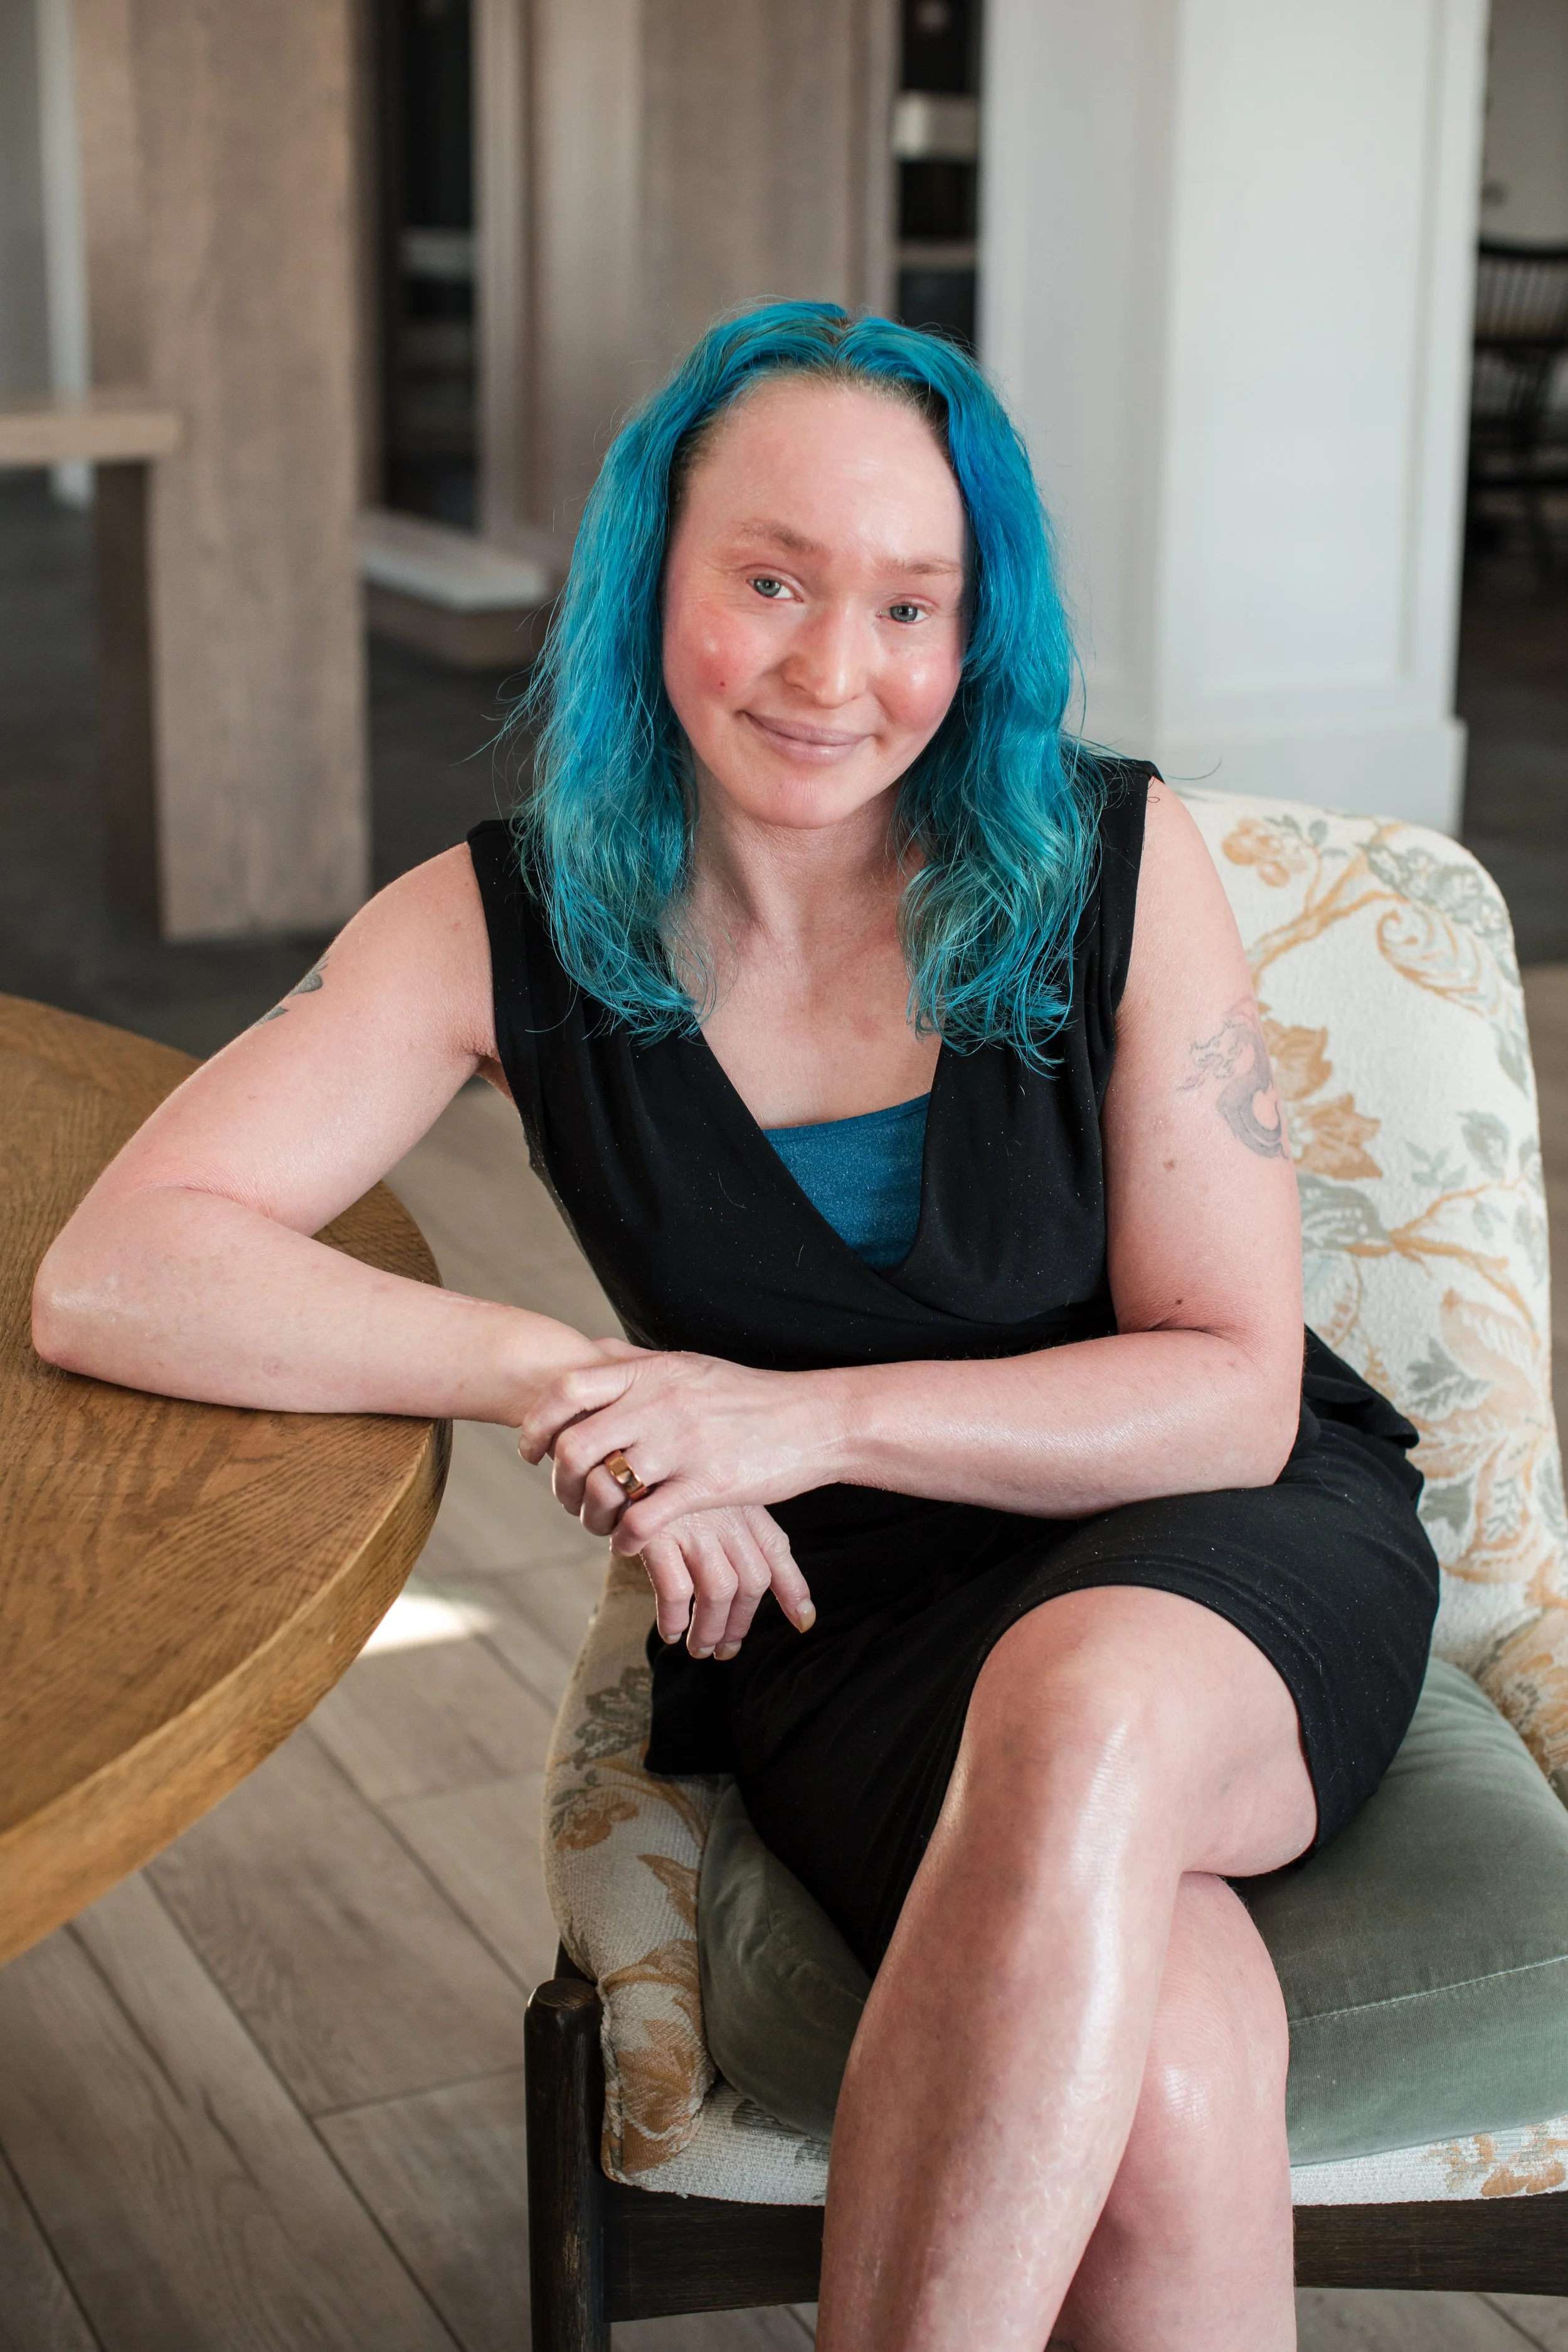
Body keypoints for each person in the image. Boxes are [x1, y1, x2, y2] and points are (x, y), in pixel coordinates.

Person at [33, 302, 1438, 2352]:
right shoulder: (505, 919)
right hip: (842, 1625)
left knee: (1089, 1716)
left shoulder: (1118, 860)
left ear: (978, 631)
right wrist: (563, 1378)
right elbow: (121, 1265)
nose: (828, 671)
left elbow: (1226, 1389)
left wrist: (790, 1419)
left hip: (1218, 1538)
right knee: (1176, 2060)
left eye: (905, 605)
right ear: (651, 576)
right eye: (769, 581)